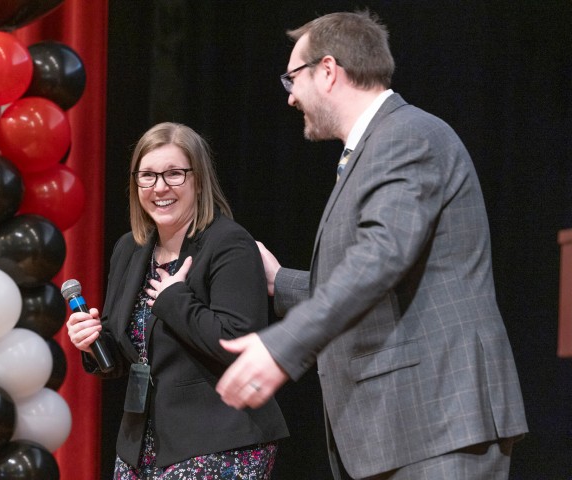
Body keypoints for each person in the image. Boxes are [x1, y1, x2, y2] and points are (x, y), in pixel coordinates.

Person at [216, 10, 528, 480]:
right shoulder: (373, 148)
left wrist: (283, 347)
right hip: (404, 429)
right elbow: (386, 278)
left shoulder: (407, 136)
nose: (290, 98)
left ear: (327, 70)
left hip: (437, 420)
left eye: (291, 78)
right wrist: (282, 283)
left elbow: (382, 256)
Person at [67, 122, 288, 479]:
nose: (160, 187)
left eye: (174, 174)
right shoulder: (130, 249)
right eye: (148, 176)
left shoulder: (229, 243)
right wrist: (92, 342)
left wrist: (174, 300)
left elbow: (240, 344)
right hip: (141, 447)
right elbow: (125, 354)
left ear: (198, 179)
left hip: (219, 441)